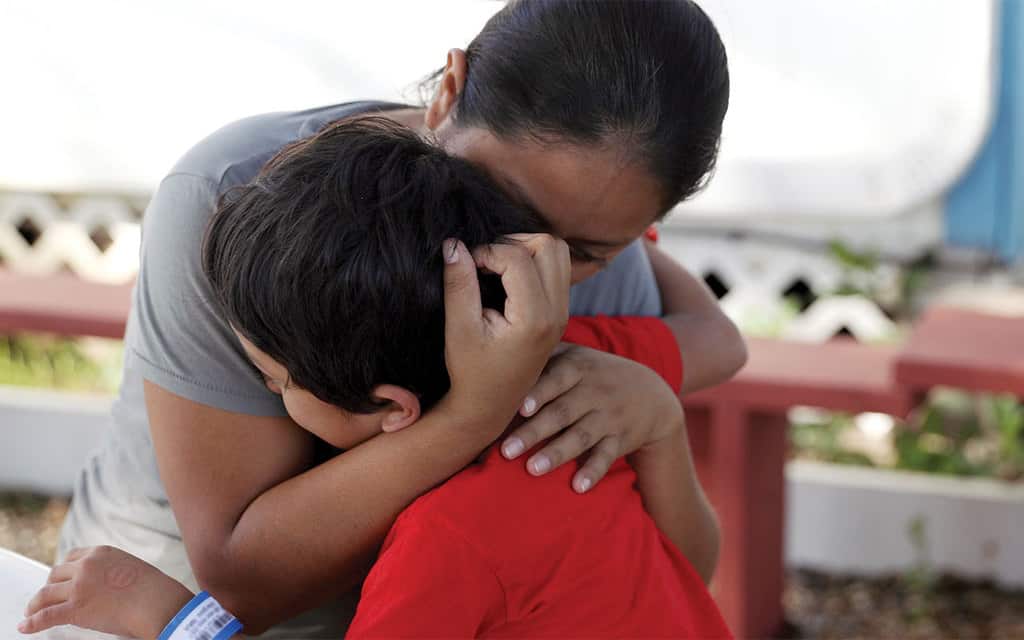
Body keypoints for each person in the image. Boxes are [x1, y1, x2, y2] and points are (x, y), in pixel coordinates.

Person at [57, 0, 742, 636]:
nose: (533, 266)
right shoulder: (246, 210)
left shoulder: (591, 250)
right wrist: (473, 416)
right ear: (449, 89)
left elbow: (678, 571)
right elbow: (246, 583)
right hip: (146, 604)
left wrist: (656, 416)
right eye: (505, 201)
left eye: (590, 252)